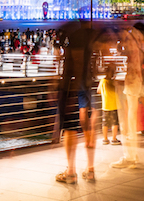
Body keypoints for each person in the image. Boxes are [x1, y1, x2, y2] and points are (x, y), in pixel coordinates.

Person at [55, 21, 101, 184]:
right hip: (87, 88)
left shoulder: (73, 40)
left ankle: (71, 172)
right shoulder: (89, 41)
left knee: (70, 131)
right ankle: (89, 170)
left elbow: (72, 66)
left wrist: (66, 88)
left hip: (73, 89)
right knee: (89, 129)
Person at [112, 22, 144, 170]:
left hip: (133, 80)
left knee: (128, 117)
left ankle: (130, 156)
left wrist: (121, 46)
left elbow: (129, 57)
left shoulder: (131, 40)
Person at [97, 63, 121, 145]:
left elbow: (98, 91)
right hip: (114, 105)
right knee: (114, 123)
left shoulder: (102, 81)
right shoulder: (114, 82)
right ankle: (114, 139)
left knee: (105, 123)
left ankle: (105, 139)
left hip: (105, 106)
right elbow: (119, 91)